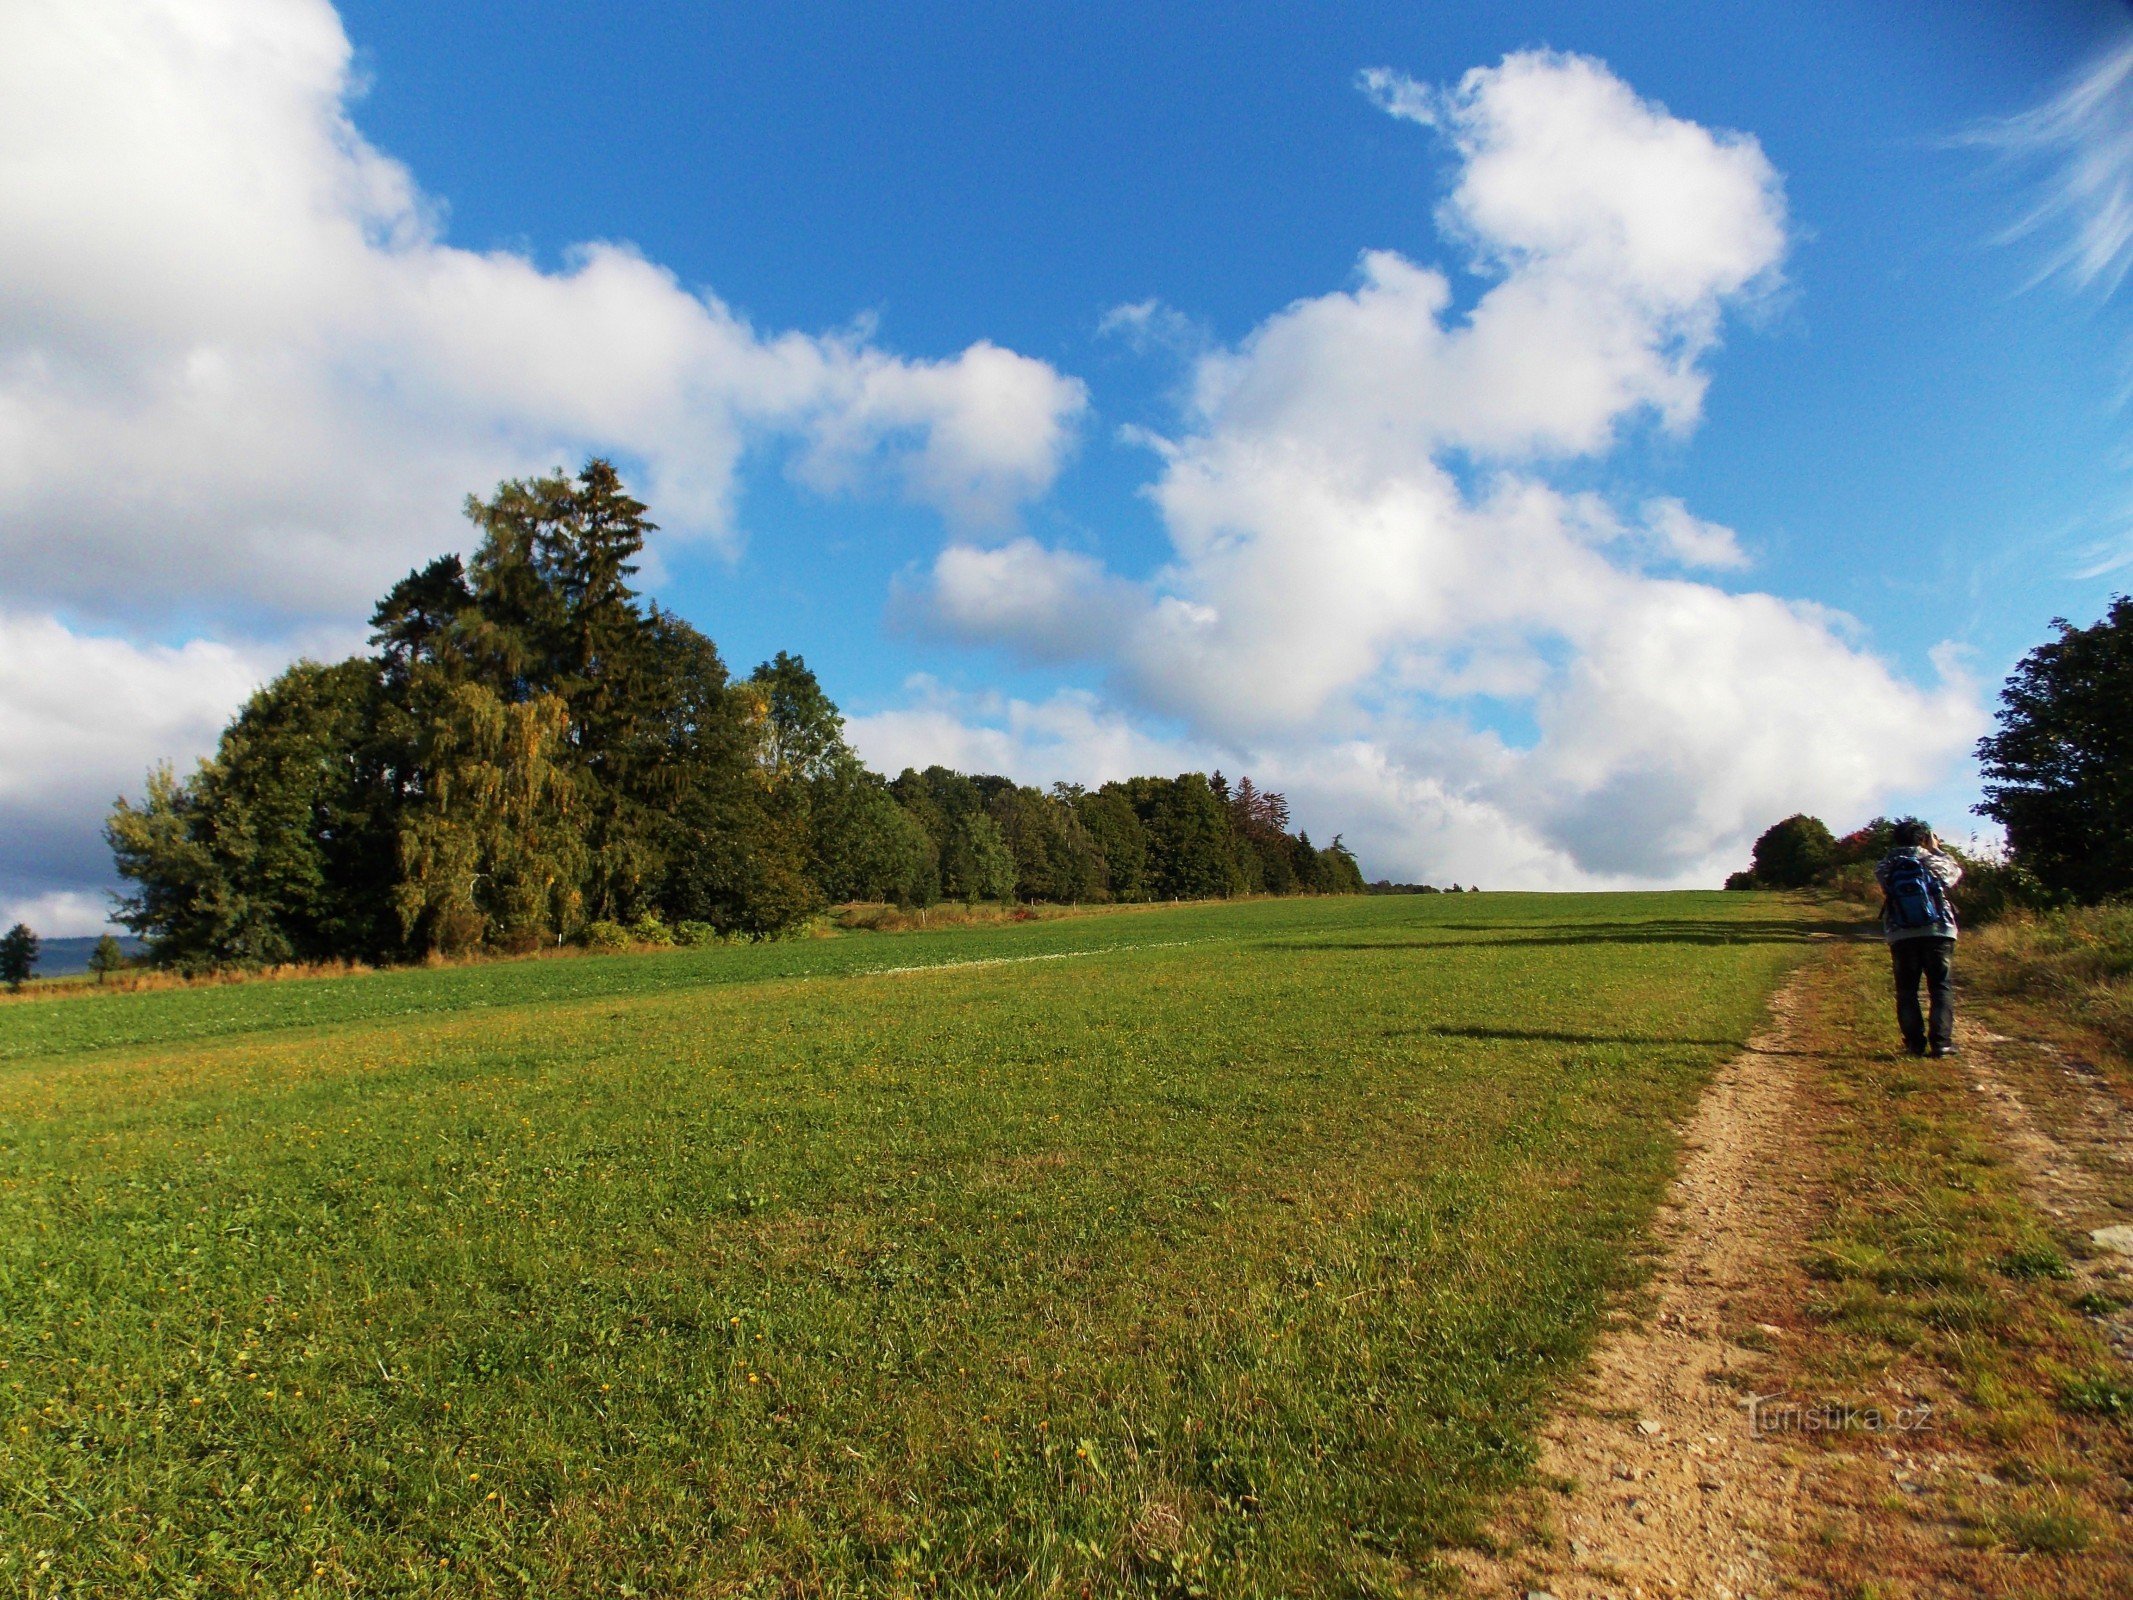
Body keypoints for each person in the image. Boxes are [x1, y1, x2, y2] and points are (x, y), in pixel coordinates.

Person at [1874, 820, 1962, 1058]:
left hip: (1901, 933)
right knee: (1940, 987)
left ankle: (1914, 1045)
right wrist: (1936, 849)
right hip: (1938, 931)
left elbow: (1884, 886)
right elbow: (1954, 874)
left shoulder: (1885, 866)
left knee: (1906, 990)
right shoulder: (1933, 861)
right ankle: (1941, 1044)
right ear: (1923, 839)